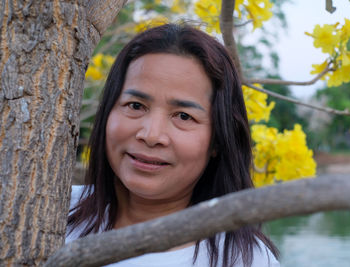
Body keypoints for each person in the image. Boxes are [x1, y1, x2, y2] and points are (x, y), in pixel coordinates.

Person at [67, 23, 280, 267]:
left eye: (183, 116)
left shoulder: (245, 260)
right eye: (135, 106)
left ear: (218, 141)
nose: (151, 135)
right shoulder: (54, 209)